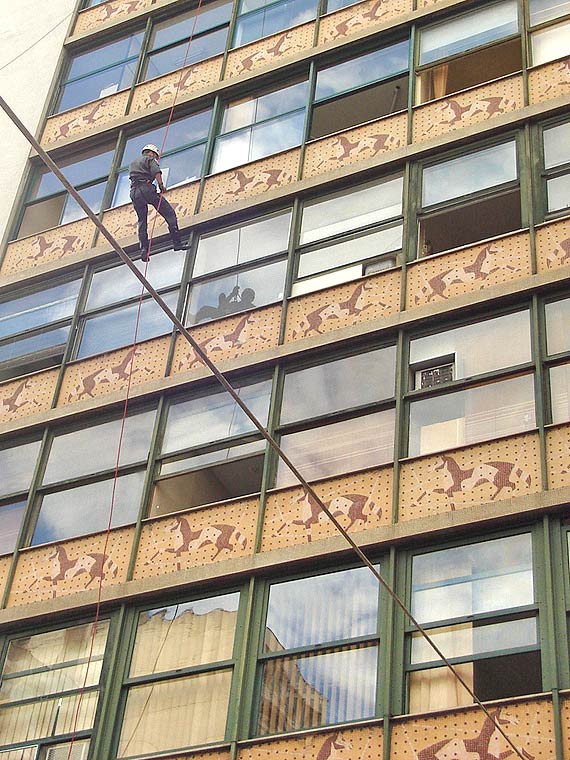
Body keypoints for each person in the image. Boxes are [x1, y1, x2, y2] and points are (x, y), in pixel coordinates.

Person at [129, 144, 187, 261]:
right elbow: (156, 172)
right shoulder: (149, 159)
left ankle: (144, 249)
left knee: (142, 221)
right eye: (156, 156)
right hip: (146, 189)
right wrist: (161, 186)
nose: (156, 158)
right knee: (169, 213)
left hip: (134, 193)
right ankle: (177, 243)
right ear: (151, 153)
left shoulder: (133, 163)